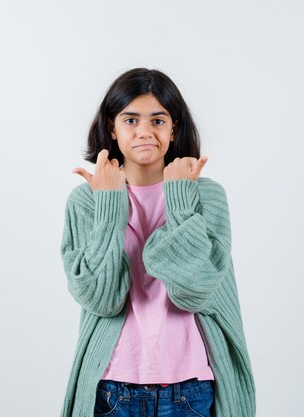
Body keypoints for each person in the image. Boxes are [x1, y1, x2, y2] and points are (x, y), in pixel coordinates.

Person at [59, 68, 255, 417]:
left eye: (158, 120)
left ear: (173, 127)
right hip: (111, 388)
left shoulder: (205, 196)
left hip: (190, 390)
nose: (145, 131)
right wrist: (108, 204)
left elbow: (194, 290)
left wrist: (179, 197)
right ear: (111, 128)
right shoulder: (87, 201)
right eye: (130, 119)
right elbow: (100, 299)